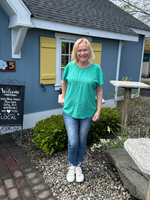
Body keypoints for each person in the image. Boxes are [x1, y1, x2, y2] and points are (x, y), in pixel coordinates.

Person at [60, 38, 105, 183]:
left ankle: (78, 165)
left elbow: (99, 90)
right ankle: (72, 165)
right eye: (79, 50)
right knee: (73, 141)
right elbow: (64, 81)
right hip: (70, 111)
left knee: (81, 139)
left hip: (88, 112)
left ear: (89, 51)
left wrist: (98, 110)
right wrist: (64, 97)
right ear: (75, 52)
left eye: (85, 50)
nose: (82, 53)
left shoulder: (96, 68)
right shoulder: (70, 66)